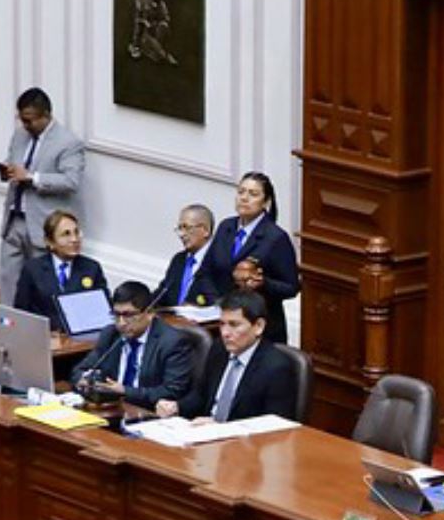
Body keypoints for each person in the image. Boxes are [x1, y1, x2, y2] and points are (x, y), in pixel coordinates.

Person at [0, 87, 86, 306]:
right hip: (15, 220)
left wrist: (32, 178)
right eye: (22, 119)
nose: (25, 125)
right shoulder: (20, 135)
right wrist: (6, 171)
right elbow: (14, 163)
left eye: (30, 120)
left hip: (42, 224)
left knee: (40, 288)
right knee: (8, 282)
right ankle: (7, 330)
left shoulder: (68, 142)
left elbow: (71, 181)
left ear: (46, 115)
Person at [155, 290, 299, 422]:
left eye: (234, 325)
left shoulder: (277, 367)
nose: (225, 333)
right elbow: (201, 397)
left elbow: (274, 426)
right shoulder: (219, 349)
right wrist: (177, 407)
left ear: (258, 326)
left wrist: (221, 429)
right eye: (222, 324)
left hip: (243, 446)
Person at [71, 280, 197, 408]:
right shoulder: (110, 334)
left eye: (128, 315)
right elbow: (80, 370)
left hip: (147, 412)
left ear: (150, 313)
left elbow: (172, 390)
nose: (121, 323)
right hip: (112, 407)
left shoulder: (172, 342)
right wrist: (83, 379)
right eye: (116, 315)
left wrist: (126, 391)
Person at [208, 172, 299, 345]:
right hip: (223, 322)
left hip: (261, 328)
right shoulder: (226, 227)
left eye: (253, 194)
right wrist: (215, 303)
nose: (244, 198)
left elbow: (291, 287)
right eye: (241, 192)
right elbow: (208, 270)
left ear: (266, 201)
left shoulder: (276, 237)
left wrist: (263, 283)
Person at [12, 209, 106, 332]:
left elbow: (102, 312)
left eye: (76, 232)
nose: (74, 239)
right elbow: (21, 312)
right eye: (66, 234)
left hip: (81, 343)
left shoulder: (92, 268)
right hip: (44, 339)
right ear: (50, 242)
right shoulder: (32, 269)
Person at [150, 204, 224, 308]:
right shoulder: (178, 260)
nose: (182, 234)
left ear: (205, 230)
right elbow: (161, 294)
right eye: (179, 228)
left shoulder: (219, 262)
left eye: (186, 227)